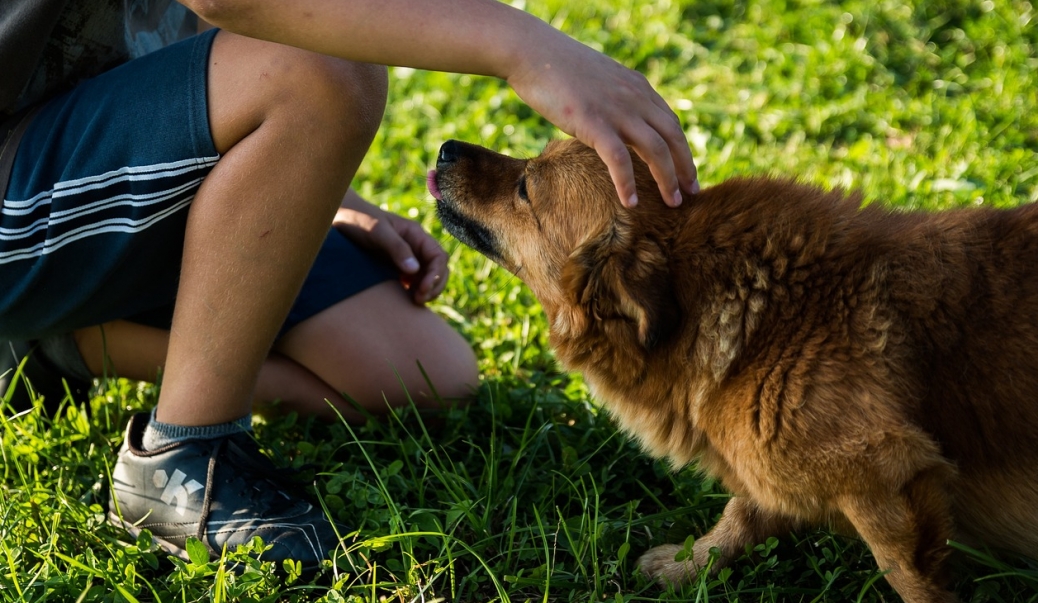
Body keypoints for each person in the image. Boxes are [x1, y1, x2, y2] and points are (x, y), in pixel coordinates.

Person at [0, 0, 698, 572]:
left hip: (105, 150)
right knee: (326, 72)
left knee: (421, 373)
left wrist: (300, 177)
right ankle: (184, 454)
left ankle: (60, 339)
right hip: (15, 172)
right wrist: (524, 45)